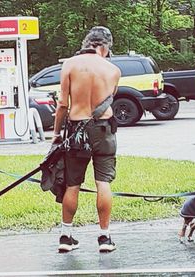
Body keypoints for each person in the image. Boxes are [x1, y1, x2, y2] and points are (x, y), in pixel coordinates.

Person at [52, 26, 121, 253]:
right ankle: (104, 238)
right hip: (103, 129)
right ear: (104, 46)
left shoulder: (69, 65)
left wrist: (56, 134)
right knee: (103, 182)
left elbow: (63, 104)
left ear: (86, 43)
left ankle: (66, 235)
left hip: (76, 129)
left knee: (73, 184)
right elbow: (108, 100)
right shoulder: (113, 70)